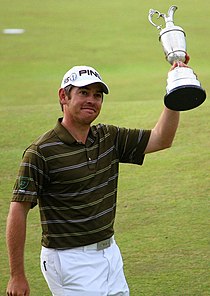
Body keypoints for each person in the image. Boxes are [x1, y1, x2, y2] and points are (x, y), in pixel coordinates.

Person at [6, 62, 187, 296]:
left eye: (97, 95)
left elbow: (161, 139)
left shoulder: (108, 137)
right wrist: (17, 275)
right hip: (68, 261)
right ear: (64, 96)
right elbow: (17, 211)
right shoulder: (41, 152)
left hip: (109, 253)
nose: (92, 100)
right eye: (83, 93)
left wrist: (175, 91)